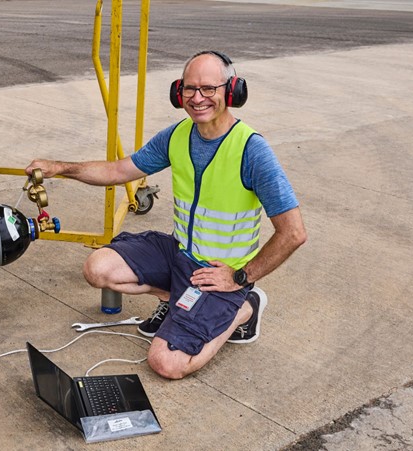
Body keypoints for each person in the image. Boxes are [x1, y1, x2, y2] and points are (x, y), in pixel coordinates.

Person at [26, 50, 306, 380]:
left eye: (208, 88)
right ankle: (180, 301)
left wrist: (240, 277)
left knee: (166, 363)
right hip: (179, 254)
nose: (197, 98)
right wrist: (60, 168)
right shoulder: (177, 137)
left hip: (222, 274)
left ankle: (243, 310)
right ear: (178, 92)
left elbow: (293, 233)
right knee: (98, 268)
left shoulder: (251, 151)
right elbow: (118, 170)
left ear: (232, 91)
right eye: (189, 88)